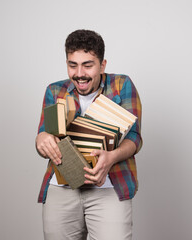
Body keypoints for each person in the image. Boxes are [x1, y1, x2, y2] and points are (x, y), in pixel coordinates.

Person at [35, 29, 142, 240]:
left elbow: (135, 138)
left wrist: (111, 157)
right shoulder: (54, 91)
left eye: (88, 65)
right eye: (72, 65)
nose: (79, 73)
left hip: (109, 187)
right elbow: (43, 137)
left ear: (102, 65)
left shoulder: (121, 85)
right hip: (62, 188)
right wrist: (41, 140)